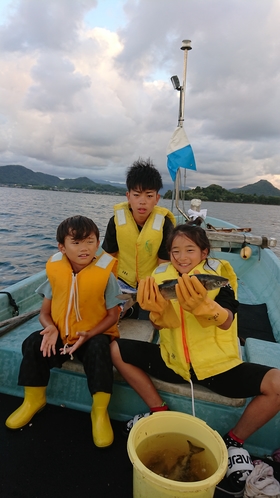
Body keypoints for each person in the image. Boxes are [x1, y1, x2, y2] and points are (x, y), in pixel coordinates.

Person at [110, 219, 280, 490]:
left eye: (189, 250)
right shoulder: (160, 276)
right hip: (173, 363)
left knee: (278, 384)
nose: (181, 257)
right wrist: (157, 312)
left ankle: (234, 440)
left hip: (219, 369)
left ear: (204, 252)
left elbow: (226, 320)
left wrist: (203, 305)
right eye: (175, 251)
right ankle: (158, 410)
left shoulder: (220, 275)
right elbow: (156, 325)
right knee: (115, 348)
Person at [6, 215, 121, 448]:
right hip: (60, 335)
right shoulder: (55, 272)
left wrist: (90, 334)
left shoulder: (106, 276)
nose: (84, 248)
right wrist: (49, 328)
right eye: (76, 243)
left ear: (98, 243)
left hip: (90, 336)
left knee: (100, 349)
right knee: (32, 343)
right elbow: (44, 313)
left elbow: (113, 315)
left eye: (89, 241)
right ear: (62, 247)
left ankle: (99, 412)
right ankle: (34, 400)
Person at [102, 158, 176, 317]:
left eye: (149, 196)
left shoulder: (165, 224)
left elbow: (163, 264)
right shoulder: (116, 221)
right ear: (128, 196)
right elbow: (108, 256)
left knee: (162, 316)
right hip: (122, 282)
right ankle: (125, 308)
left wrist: (157, 290)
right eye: (137, 195)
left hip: (152, 283)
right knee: (106, 313)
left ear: (157, 198)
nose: (142, 202)